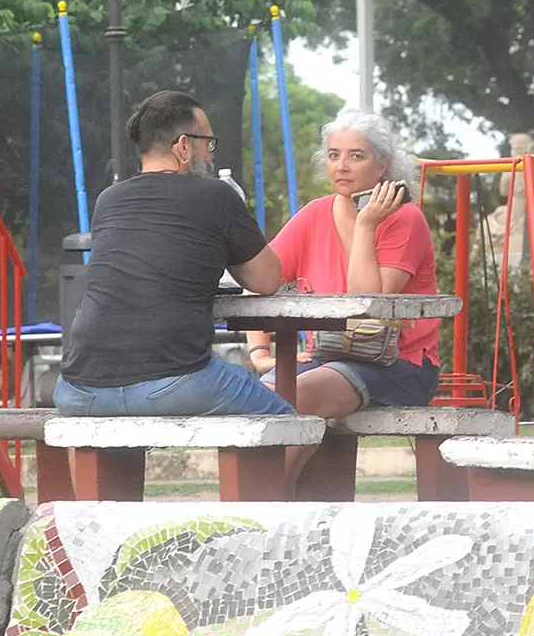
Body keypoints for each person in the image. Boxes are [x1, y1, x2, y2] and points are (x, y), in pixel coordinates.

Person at [56, 90, 292, 416]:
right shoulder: (216, 196)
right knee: (287, 425)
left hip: (78, 390)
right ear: (183, 146)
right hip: (173, 381)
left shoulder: (108, 200)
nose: (210, 157)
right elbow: (267, 280)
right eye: (207, 145)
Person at [246, 109, 442, 432]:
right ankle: (280, 485)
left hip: (400, 365)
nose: (342, 166)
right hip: (325, 358)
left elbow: (367, 303)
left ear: (382, 164)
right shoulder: (313, 215)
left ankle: (271, 485)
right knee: (257, 398)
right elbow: (257, 279)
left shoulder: (405, 219)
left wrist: (365, 226)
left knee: (298, 396)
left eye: (356, 156)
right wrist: (260, 353)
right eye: (333, 155)